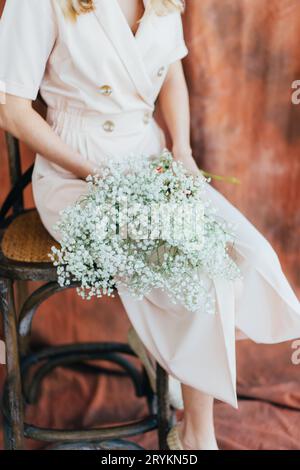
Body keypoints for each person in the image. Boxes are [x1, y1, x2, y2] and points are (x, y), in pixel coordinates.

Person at [0, 0, 300, 451]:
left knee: (249, 255)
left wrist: (182, 152)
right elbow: (12, 110)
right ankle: (196, 435)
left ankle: (158, 340)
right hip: (74, 179)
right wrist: (91, 173)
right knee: (196, 268)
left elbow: (172, 72)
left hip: (152, 164)